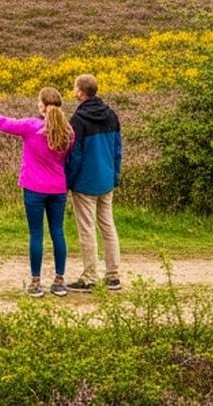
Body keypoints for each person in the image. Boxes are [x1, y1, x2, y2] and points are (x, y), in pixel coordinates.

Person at [0, 87, 74, 297]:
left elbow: (1, 122)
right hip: (58, 189)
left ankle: (36, 283)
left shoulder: (31, 127)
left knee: (36, 235)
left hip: (34, 189)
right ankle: (59, 281)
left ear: (41, 106)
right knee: (58, 232)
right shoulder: (68, 132)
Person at [66, 74, 123, 291]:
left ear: (81, 92)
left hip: (85, 182)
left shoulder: (78, 120)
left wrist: (69, 180)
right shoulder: (111, 115)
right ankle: (113, 276)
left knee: (87, 230)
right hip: (106, 179)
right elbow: (117, 149)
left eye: (75, 88)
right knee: (108, 227)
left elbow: (75, 155)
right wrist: (115, 175)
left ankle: (89, 277)